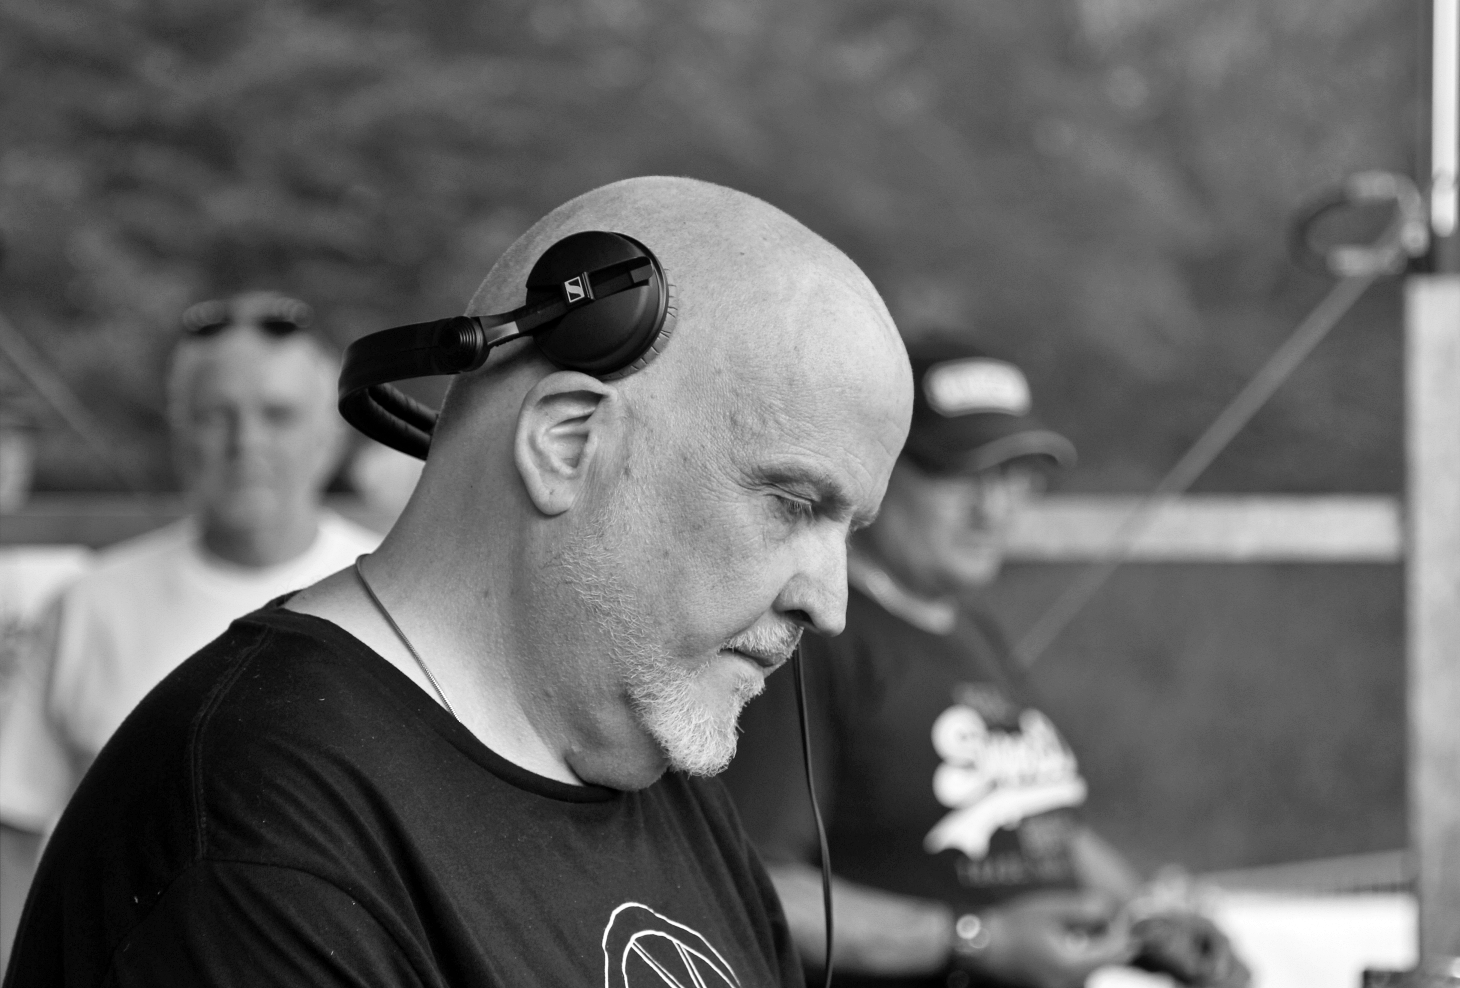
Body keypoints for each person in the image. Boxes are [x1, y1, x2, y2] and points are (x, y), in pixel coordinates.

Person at [3, 177, 914, 987]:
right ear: (567, 443)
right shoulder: (258, 837)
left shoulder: (655, 759)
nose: (829, 603)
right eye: (794, 503)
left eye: (849, 530)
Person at [722, 336, 1247, 988]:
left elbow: (1042, 823)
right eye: (959, 473)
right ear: (875, 472)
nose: (991, 508)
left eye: (1013, 476)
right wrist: (975, 941)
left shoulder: (972, 631)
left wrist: (1148, 919)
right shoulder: (811, 638)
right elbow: (752, 884)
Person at [0, 293, 381, 966]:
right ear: (177, 431)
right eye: (214, 415)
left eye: (278, 414)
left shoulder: (393, 597)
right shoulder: (88, 606)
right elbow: (14, 831)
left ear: (333, 434)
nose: (245, 442)